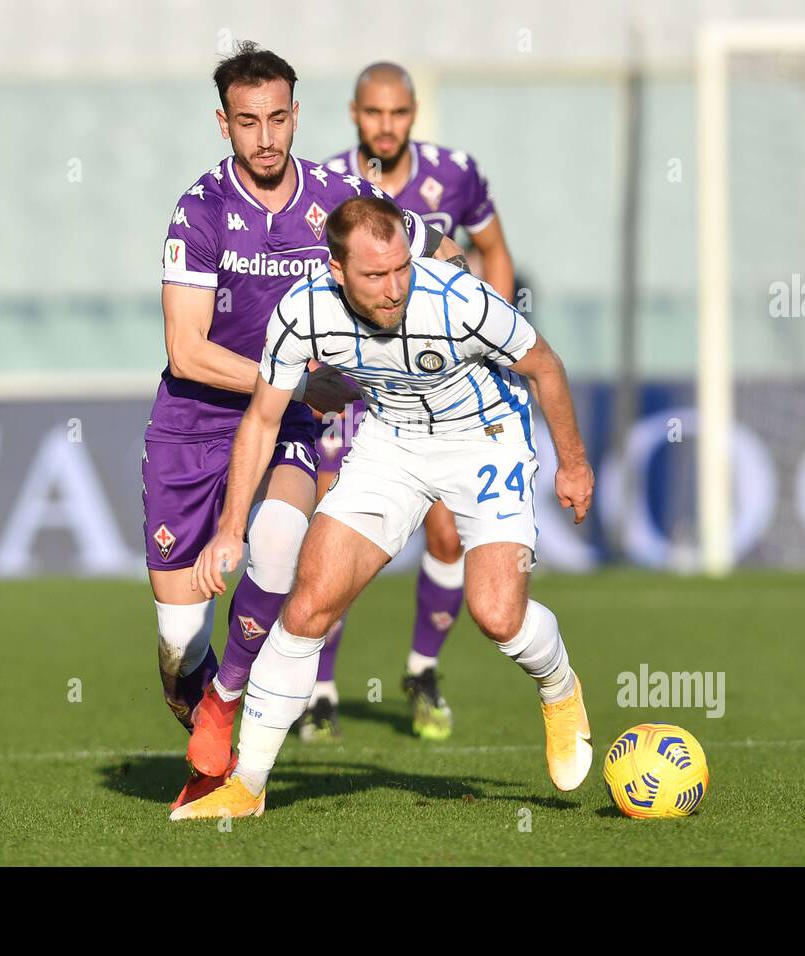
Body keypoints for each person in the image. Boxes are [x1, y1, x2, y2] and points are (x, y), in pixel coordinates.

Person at [172, 196, 594, 820]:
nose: (395, 287)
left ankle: (559, 690)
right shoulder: (303, 313)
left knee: (497, 613)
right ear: (336, 271)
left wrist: (575, 463)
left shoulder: (457, 299)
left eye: (401, 268)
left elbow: (545, 365)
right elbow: (263, 419)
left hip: (485, 434)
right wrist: (231, 527)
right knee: (310, 602)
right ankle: (248, 785)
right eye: (375, 275)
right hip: (392, 441)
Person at [148, 42, 463, 809]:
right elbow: (186, 351)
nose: (266, 137)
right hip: (191, 431)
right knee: (177, 640)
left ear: (296, 116)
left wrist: (459, 311)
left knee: (283, 540)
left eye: (279, 118)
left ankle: (227, 702)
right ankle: (201, 695)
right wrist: (286, 375)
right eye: (248, 121)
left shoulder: (338, 195)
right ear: (224, 124)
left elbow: (431, 248)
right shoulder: (199, 212)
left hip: (285, 418)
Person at [299, 63, 518, 742]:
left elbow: (493, 251)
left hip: (438, 381)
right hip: (357, 380)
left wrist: (496, 330)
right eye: (373, 113)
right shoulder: (329, 185)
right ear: (354, 114)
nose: (385, 126)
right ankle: (321, 691)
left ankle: (422, 672)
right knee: (335, 521)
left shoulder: (456, 173)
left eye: (397, 113)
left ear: (414, 112)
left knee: (449, 529)